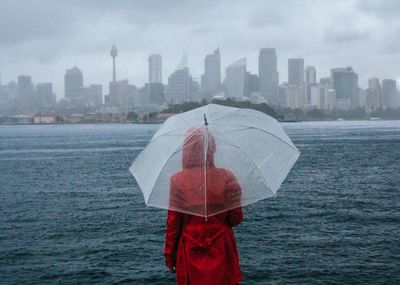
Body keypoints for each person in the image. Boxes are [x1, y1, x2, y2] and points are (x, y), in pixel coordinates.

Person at [164, 127, 243, 285]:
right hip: (222, 245)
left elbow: (174, 224)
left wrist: (170, 256)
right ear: (212, 149)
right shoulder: (227, 177)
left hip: (190, 247)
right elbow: (236, 219)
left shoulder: (178, 180)